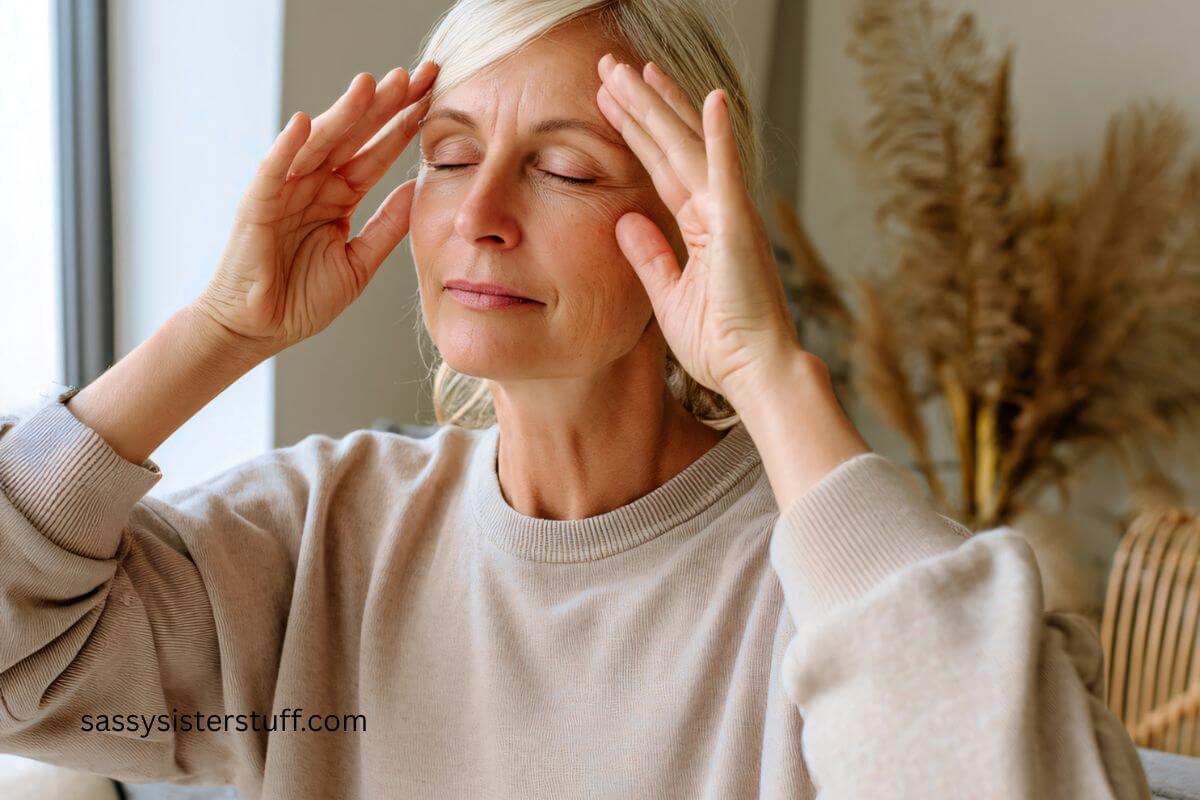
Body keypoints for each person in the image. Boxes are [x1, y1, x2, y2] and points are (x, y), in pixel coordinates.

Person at [0, 1, 1152, 798]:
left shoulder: (839, 585)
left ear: (693, 224)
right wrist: (217, 332)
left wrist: (770, 371)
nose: (479, 214)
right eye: (450, 156)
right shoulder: (321, 535)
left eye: (561, 168)